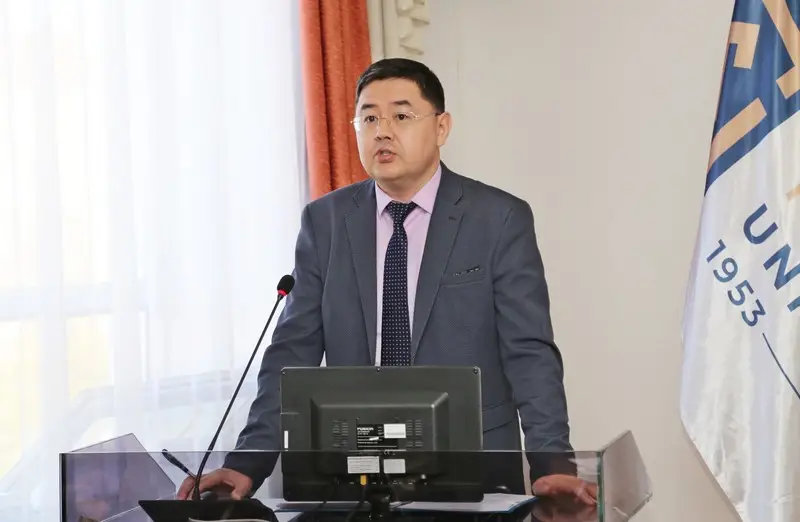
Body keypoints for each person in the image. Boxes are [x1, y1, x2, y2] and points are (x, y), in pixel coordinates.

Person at [178, 58, 594, 503]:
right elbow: (292, 353)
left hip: (473, 465)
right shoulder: (325, 222)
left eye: (401, 116)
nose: (382, 131)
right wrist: (247, 462)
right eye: (370, 118)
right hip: (352, 465)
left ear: (441, 127)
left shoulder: (498, 218)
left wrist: (552, 463)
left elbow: (528, 352)